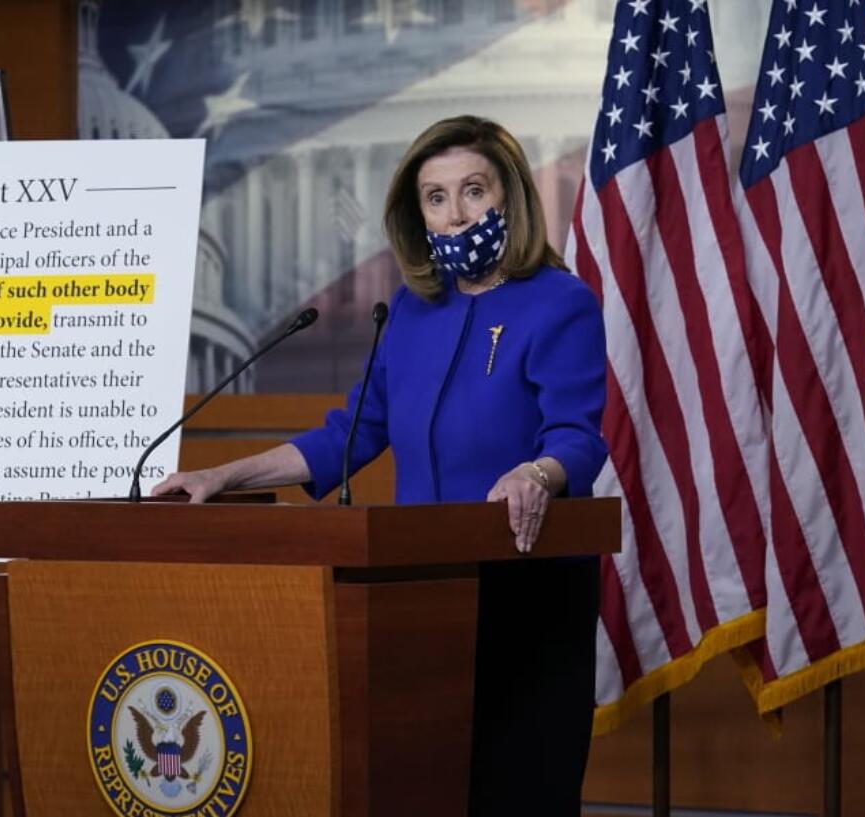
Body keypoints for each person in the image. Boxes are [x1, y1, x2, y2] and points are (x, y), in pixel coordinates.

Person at [153, 114, 608, 814]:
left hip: (526, 597)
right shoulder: (412, 311)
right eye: (435, 197)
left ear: (508, 199)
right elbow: (350, 432)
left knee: (517, 792)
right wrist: (224, 476)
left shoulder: (560, 301)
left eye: (473, 190)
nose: (455, 214)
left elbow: (578, 437)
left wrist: (535, 474)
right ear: (416, 212)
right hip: (419, 599)